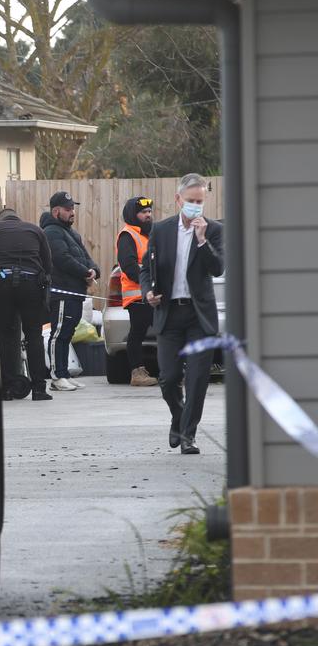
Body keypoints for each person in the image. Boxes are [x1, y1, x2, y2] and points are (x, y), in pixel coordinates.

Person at [140, 173, 223, 455]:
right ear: (178, 200)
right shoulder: (161, 230)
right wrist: (148, 292)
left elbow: (218, 268)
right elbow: (145, 269)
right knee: (168, 377)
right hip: (169, 313)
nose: (196, 206)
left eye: (200, 201)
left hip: (199, 316)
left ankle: (188, 434)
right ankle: (179, 416)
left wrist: (202, 241)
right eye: (191, 201)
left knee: (198, 378)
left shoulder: (213, 231)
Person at [0, 206, 53, 401]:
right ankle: (39, 389)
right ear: (18, 219)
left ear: (0, 220)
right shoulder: (35, 230)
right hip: (31, 285)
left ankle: (6, 388)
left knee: (3, 335)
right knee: (34, 335)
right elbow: (48, 265)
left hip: (1, 285)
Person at [40, 191, 100, 391]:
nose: (72, 212)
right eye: (68, 209)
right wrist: (85, 272)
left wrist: (94, 270)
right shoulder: (51, 232)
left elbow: (85, 255)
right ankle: (57, 377)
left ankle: (65, 373)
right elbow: (62, 258)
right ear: (56, 211)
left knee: (68, 333)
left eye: (73, 208)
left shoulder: (71, 232)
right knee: (59, 333)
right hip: (62, 292)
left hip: (75, 291)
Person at [116, 196, 159, 387]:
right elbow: (129, 265)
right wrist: (148, 284)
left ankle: (170, 370)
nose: (148, 215)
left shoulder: (149, 234)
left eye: (149, 211)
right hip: (137, 296)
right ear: (134, 215)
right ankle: (137, 372)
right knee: (138, 333)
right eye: (143, 212)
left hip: (153, 293)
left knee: (165, 332)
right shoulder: (128, 235)